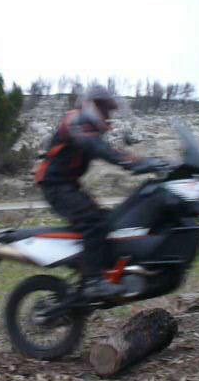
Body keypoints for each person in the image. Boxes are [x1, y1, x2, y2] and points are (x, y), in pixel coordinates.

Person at [35, 85, 166, 300]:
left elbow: (107, 149)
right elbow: (100, 149)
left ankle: (102, 271)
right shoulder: (75, 121)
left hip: (67, 185)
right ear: (93, 106)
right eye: (105, 111)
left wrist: (151, 162)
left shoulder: (87, 127)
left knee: (107, 221)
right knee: (93, 222)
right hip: (54, 185)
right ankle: (93, 282)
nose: (108, 117)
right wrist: (135, 164)